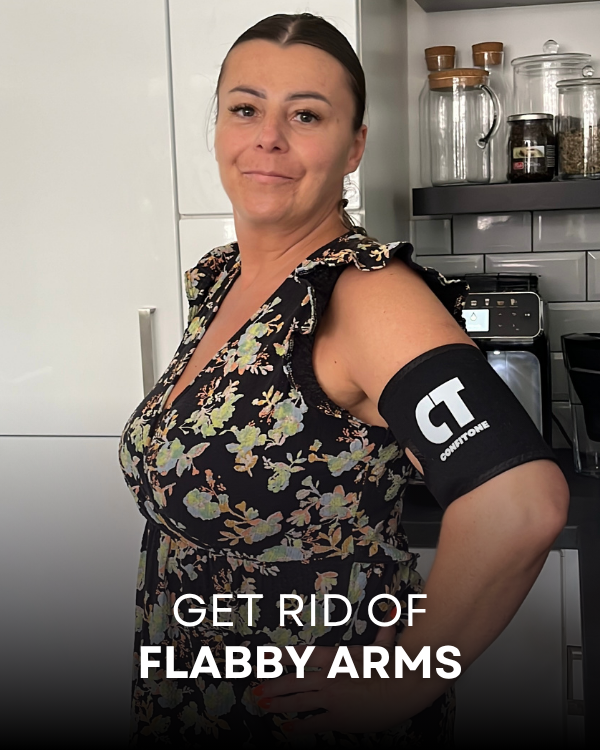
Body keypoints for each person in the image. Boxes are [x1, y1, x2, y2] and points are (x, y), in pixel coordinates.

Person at [118, 12, 569, 748]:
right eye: (245, 108)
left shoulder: (364, 295)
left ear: (354, 146)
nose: (268, 137)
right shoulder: (226, 280)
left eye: (306, 115)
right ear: (218, 128)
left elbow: (519, 502)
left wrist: (406, 676)